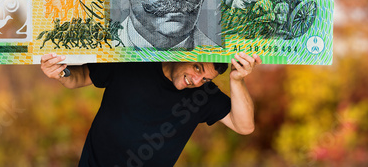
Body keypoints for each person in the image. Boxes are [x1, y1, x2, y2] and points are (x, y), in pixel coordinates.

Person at [41, 52, 262, 166]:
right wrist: (61, 72)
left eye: (204, 79)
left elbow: (244, 126)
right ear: (185, 53)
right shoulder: (132, 60)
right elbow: (79, 77)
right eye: (197, 68)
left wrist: (237, 80)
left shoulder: (202, 96)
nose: (196, 80)